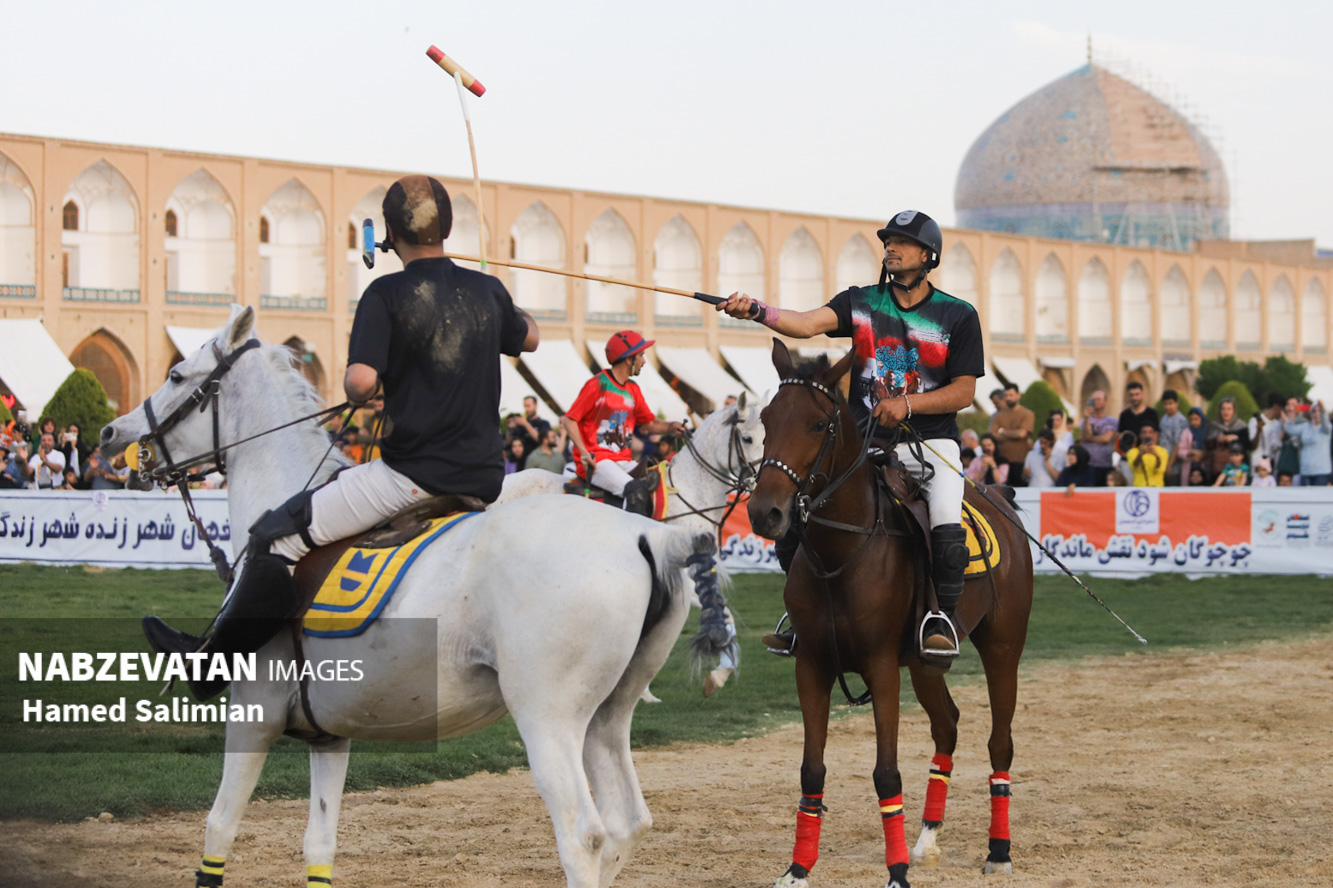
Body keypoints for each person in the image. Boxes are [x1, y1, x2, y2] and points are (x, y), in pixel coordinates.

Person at [144, 174, 540, 695]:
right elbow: (530, 337)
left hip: (412, 476)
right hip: (486, 476)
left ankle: (208, 667)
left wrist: (374, 375)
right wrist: (499, 300)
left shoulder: (386, 293)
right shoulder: (487, 289)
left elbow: (359, 384)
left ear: (390, 234)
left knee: (273, 535)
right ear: (447, 228)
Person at [717, 209, 982, 665]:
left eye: (902, 242)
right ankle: (802, 617)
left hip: (931, 444)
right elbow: (804, 324)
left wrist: (908, 404)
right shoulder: (861, 302)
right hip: (864, 445)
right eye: (888, 241)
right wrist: (756, 310)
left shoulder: (958, 314)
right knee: (800, 513)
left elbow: (964, 392)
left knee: (943, 516)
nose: (891, 248)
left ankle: (940, 620)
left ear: (928, 255)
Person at [562, 330, 686, 516]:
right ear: (629, 359)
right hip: (598, 461)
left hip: (623, 461)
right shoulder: (597, 384)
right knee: (636, 491)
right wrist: (585, 454)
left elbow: (649, 424)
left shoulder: (633, 389)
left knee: (660, 480)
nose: (644, 361)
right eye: (641, 355)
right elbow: (569, 420)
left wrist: (670, 426)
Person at [990, 382, 1034, 486]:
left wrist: (1002, 431)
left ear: (1018, 395)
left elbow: (1022, 434)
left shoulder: (1027, 414)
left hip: (1021, 462)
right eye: (1006, 395)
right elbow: (993, 435)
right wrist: (1015, 434)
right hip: (1002, 462)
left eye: (1011, 395)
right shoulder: (998, 416)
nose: (1009, 398)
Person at [1079, 391, 1118, 486]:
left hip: (1105, 465)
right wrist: (1087, 417)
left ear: (1105, 401)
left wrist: (1089, 438)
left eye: (1099, 399)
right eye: (1094, 400)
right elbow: (1084, 437)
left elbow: (1106, 439)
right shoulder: (1085, 421)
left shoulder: (1112, 421)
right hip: (1088, 466)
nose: (1096, 402)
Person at [1207, 398, 1249, 478]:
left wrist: (1235, 438)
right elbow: (1207, 445)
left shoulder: (1241, 426)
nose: (1226, 412)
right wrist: (1218, 439)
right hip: (1217, 466)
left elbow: (1247, 445)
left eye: (1229, 409)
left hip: (1236, 469)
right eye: (1223, 409)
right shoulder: (1214, 426)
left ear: (1234, 411)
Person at [1296, 400, 1332, 485]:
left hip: (1321, 471)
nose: (1316, 414)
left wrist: (1323, 410)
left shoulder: (1326, 428)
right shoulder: (1306, 427)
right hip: (1306, 470)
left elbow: (1325, 422)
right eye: (1314, 411)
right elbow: (1292, 428)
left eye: (1319, 411)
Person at [510, 396, 551, 468]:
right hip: (522, 464)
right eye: (525, 406)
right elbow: (511, 442)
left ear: (535, 405)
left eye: (528, 406)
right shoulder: (520, 425)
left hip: (540, 464)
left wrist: (525, 424)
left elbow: (541, 440)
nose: (526, 409)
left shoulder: (543, 423)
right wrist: (511, 428)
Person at [1157, 390, 1189, 485]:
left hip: (1173, 467)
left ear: (1176, 403)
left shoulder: (1181, 421)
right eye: (1165, 404)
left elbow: (1178, 444)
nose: (1168, 407)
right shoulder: (1164, 418)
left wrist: (1169, 465)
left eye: (1170, 404)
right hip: (1162, 463)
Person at [1181, 407, 1209, 485]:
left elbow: (1212, 448)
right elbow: (1180, 450)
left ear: (1201, 418)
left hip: (1204, 465)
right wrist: (1190, 453)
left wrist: (1203, 454)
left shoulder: (1207, 431)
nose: (1193, 422)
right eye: (1191, 420)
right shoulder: (1186, 432)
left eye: (1196, 419)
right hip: (1190, 466)